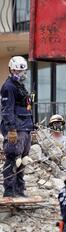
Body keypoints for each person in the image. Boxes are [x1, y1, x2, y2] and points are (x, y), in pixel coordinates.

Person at [0, 56, 34, 198]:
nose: (20, 73)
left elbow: (27, 108)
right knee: (13, 158)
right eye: (17, 70)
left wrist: (31, 128)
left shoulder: (20, 86)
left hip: (24, 127)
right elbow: (7, 110)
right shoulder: (8, 87)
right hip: (16, 129)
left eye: (22, 71)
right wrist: (11, 130)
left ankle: (19, 189)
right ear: (11, 69)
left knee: (23, 160)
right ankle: (9, 191)